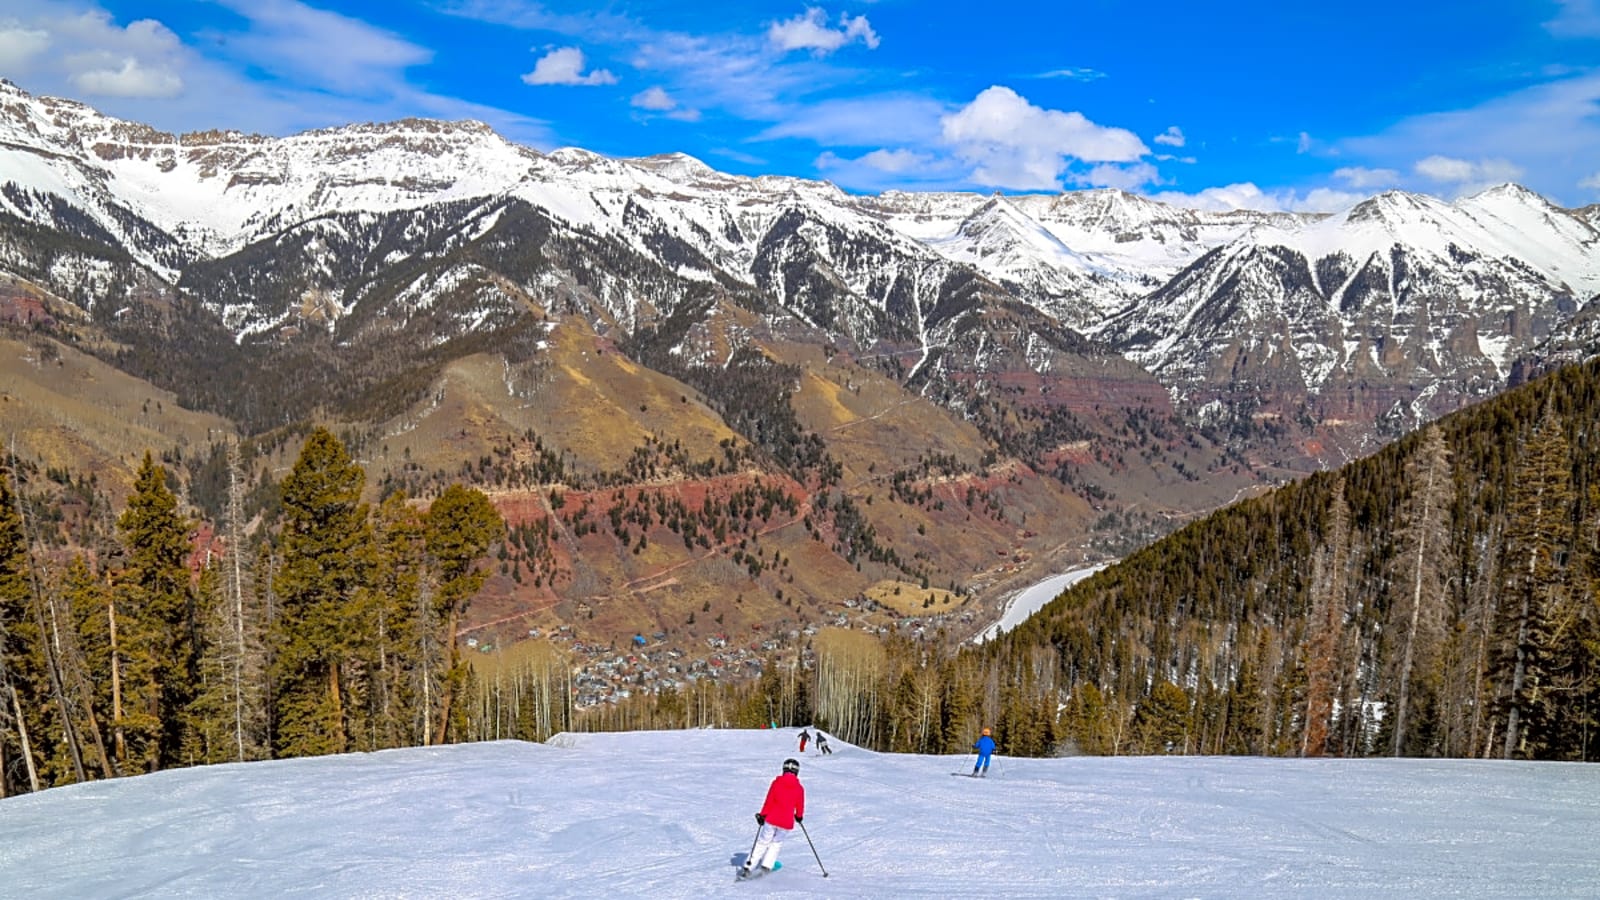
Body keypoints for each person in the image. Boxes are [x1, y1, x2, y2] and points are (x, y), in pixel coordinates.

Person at [742, 758, 805, 878]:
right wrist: (799, 816)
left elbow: (769, 800)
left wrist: (762, 814)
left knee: (763, 842)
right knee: (776, 843)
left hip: (772, 819)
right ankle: (766, 866)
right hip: (786, 822)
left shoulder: (776, 783)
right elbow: (800, 805)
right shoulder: (799, 788)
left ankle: (749, 866)